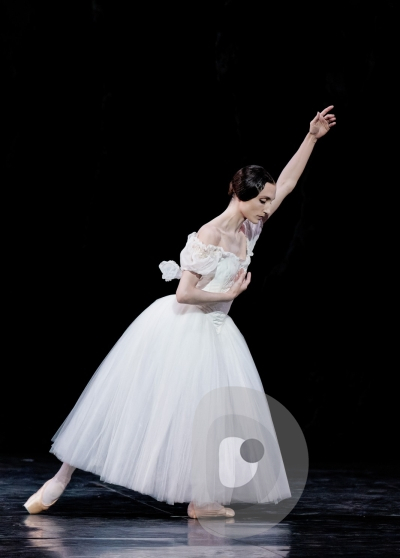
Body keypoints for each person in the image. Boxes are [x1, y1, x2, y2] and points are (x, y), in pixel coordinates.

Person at [23, 106, 336, 519]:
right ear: (239, 196)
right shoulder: (210, 234)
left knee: (210, 413)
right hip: (181, 327)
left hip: (217, 330)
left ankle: (202, 499)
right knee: (127, 400)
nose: (266, 208)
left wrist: (311, 138)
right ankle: (60, 478)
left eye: (268, 201)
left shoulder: (251, 227)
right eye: (261, 200)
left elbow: (290, 183)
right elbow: (185, 294)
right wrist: (230, 291)